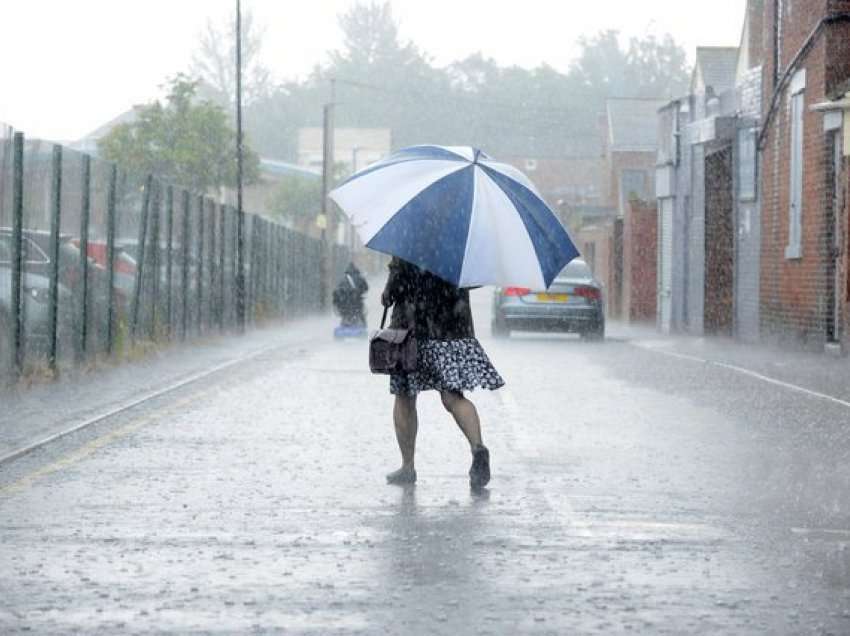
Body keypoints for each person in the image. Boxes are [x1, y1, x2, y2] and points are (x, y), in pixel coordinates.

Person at [380, 256, 504, 489]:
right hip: (451, 329)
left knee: (405, 396)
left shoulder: (410, 241)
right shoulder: (461, 244)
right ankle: (478, 447)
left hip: (411, 329)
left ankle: (408, 467)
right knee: (453, 397)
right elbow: (473, 281)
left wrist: (389, 291)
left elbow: (392, 292)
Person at [333, 262, 369, 327]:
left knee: (346, 317)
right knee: (360, 316)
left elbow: (339, 291)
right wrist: (359, 291)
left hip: (345, 305)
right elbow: (366, 288)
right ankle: (362, 329)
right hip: (357, 303)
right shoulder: (359, 277)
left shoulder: (343, 279)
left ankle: (345, 328)